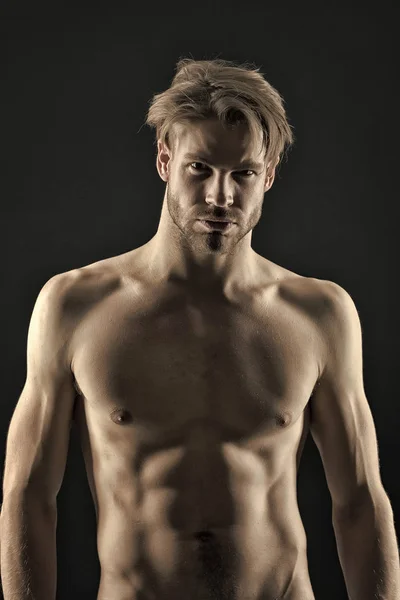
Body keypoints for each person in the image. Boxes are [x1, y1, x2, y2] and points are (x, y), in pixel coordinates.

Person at [1, 57, 399, 600]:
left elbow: (359, 501)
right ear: (165, 160)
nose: (221, 197)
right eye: (200, 168)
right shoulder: (75, 306)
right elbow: (27, 496)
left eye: (244, 175)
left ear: (270, 175)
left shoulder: (319, 314)